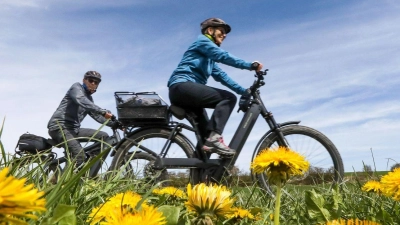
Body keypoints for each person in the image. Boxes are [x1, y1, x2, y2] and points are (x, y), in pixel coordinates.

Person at [167, 18, 263, 157]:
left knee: (206, 138)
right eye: (222, 31)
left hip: (186, 92)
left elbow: (223, 77)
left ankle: (201, 173)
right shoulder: (202, 42)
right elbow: (222, 55)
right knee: (228, 98)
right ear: (210, 30)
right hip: (181, 86)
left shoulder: (209, 59)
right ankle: (215, 138)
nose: (224, 35)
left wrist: (245, 91)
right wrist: (249, 65)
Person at [47, 71, 116, 167]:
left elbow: (97, 116)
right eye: (91, 80)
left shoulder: (89, 100)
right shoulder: (76, 88)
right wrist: (102, 111)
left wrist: (115, 124)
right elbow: (80, 99)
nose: (93, 83)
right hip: (59, 127)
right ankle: (66, 181)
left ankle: (88, 164)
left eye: (96, 82)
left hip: (74, 130)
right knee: (79, 156)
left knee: (103, 137)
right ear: (84, 80)